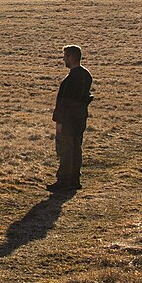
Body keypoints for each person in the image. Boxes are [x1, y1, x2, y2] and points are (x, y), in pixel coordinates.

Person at [49, 44, 92, 193]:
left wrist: (59, 122)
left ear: (71, 58)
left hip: (68, 121)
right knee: (76, 149)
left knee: (66, 150)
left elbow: (64, 103)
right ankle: (74, 180)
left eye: (65, 56)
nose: (63, 59)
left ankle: (64, 181)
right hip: (80, 119)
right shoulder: (86, 75)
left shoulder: (70, 80)